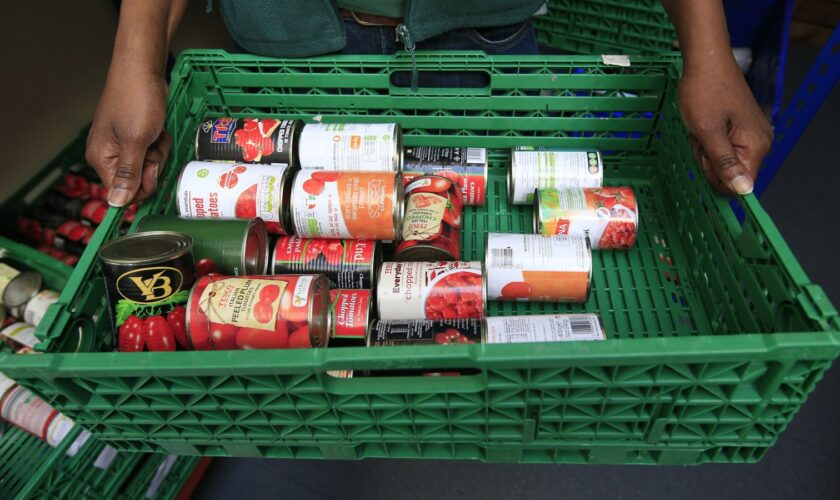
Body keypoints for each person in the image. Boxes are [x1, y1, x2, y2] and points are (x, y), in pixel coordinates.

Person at [87, 0, 771, 207]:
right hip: (291, 40)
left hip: (481, 35)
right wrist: (136, 55)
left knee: (484, 217)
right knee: (298, 230)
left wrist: (708, 52)